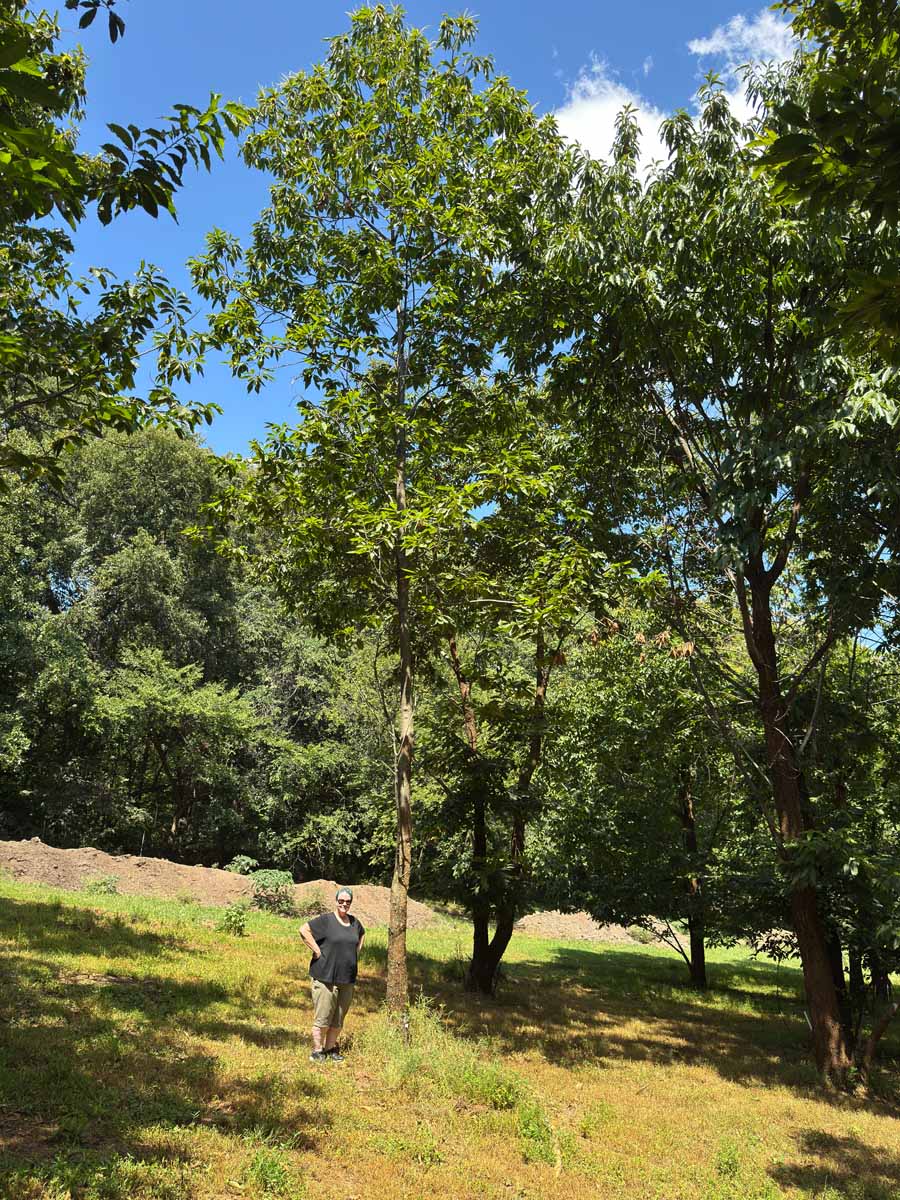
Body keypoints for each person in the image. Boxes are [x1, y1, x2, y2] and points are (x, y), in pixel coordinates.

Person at [299, 888, 365, 1063]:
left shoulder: (355, 923)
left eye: (348, 902)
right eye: (341, 901)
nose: (344, 904)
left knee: (338, 1019)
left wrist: (355, 954)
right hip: (325, 976)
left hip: (347, 978)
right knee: (323, 1017)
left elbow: (361, 935)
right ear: (336, 901)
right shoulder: (326, 921)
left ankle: (330, 1049)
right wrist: (316, 951)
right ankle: (317, 1051)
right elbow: (304, 930)